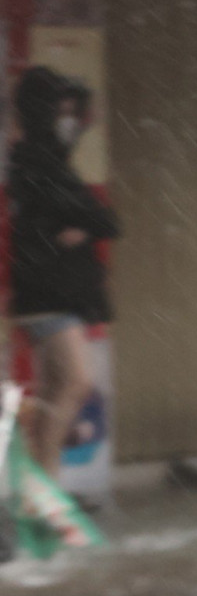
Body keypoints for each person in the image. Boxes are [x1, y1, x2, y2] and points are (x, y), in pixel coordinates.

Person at [8, 66, 118, 479]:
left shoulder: (47, 159)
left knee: (57, 388)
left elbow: (104, 220)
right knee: (76, 381)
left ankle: (44, 478)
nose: (69, 119)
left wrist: (87, 221)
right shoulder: (37, 161)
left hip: (50, 293)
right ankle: (43, 471)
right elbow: (100, 218)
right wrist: (87, 220)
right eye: (62, 110)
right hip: (46, 294)